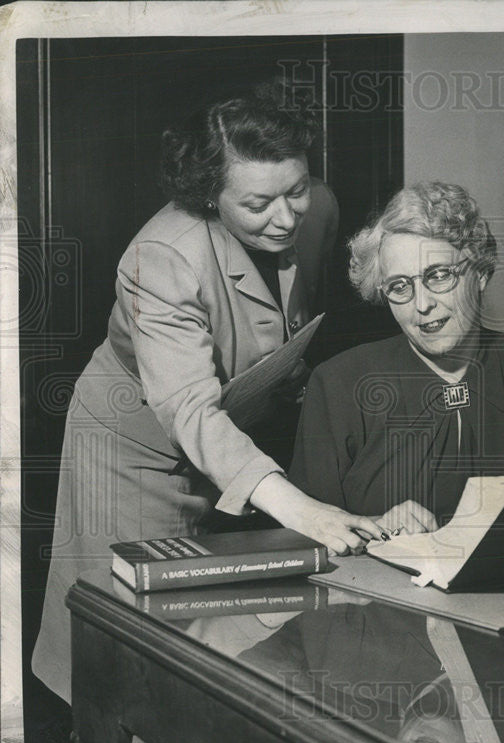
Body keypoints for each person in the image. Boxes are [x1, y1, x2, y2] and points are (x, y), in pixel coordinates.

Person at [33, 80, 381, 704]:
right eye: (258, 205)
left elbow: (290, 312)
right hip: (132, 444)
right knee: (134, 640)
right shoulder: (162, 257)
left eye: (295, 190)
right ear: (209, 198)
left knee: (217, 635)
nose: (286, 217)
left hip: (237, 420)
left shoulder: (317, 207)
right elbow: (189, 408)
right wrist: (302, 510)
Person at [288, 181, 504, 531]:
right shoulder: (338, 386)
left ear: (481, 272)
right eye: (399, 286)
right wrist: (375, 528)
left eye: (438, 276)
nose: (421, 304)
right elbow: (311, 536)